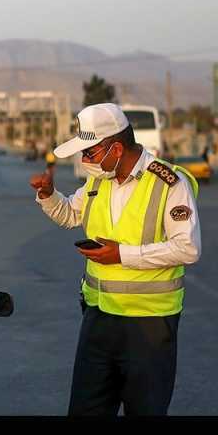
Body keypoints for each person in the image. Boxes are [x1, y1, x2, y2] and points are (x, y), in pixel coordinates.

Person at [29, 103, 201, 416]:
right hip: (99, 318)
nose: (84, 161)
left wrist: (121, 254)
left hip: (150, 326)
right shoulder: (97, 182)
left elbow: (188, 248)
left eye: (89, 153)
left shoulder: (169, 184)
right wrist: (49, 196)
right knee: (85, 409)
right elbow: (71, 215)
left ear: (117, 148)